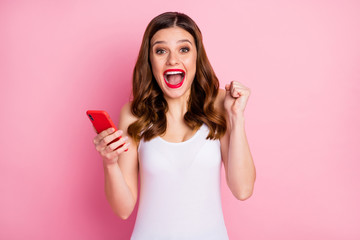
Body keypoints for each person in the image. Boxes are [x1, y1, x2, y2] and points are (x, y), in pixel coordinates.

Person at [92, 11, 256, 240]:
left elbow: (243, 189)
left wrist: (236, 117)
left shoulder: (221, 104)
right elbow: (123, 209)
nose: (173, 60)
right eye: (161, 51)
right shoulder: (133, 115)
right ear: (150, 60)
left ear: (197, 57)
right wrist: (109, 163)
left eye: (184, 49)